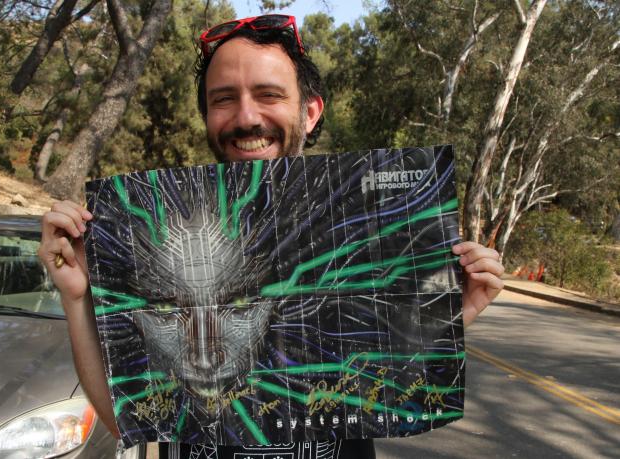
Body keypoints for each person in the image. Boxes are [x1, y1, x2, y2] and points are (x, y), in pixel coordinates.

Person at [38, 14, 505, 459]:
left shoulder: (356, 236)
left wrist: (446, 316)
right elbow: (127, 421)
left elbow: (388, 383)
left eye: (268, 94)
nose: (246, 117)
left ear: (310, 111)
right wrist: (77, 298)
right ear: (206, 115)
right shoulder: (162, 232)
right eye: (224, 99)